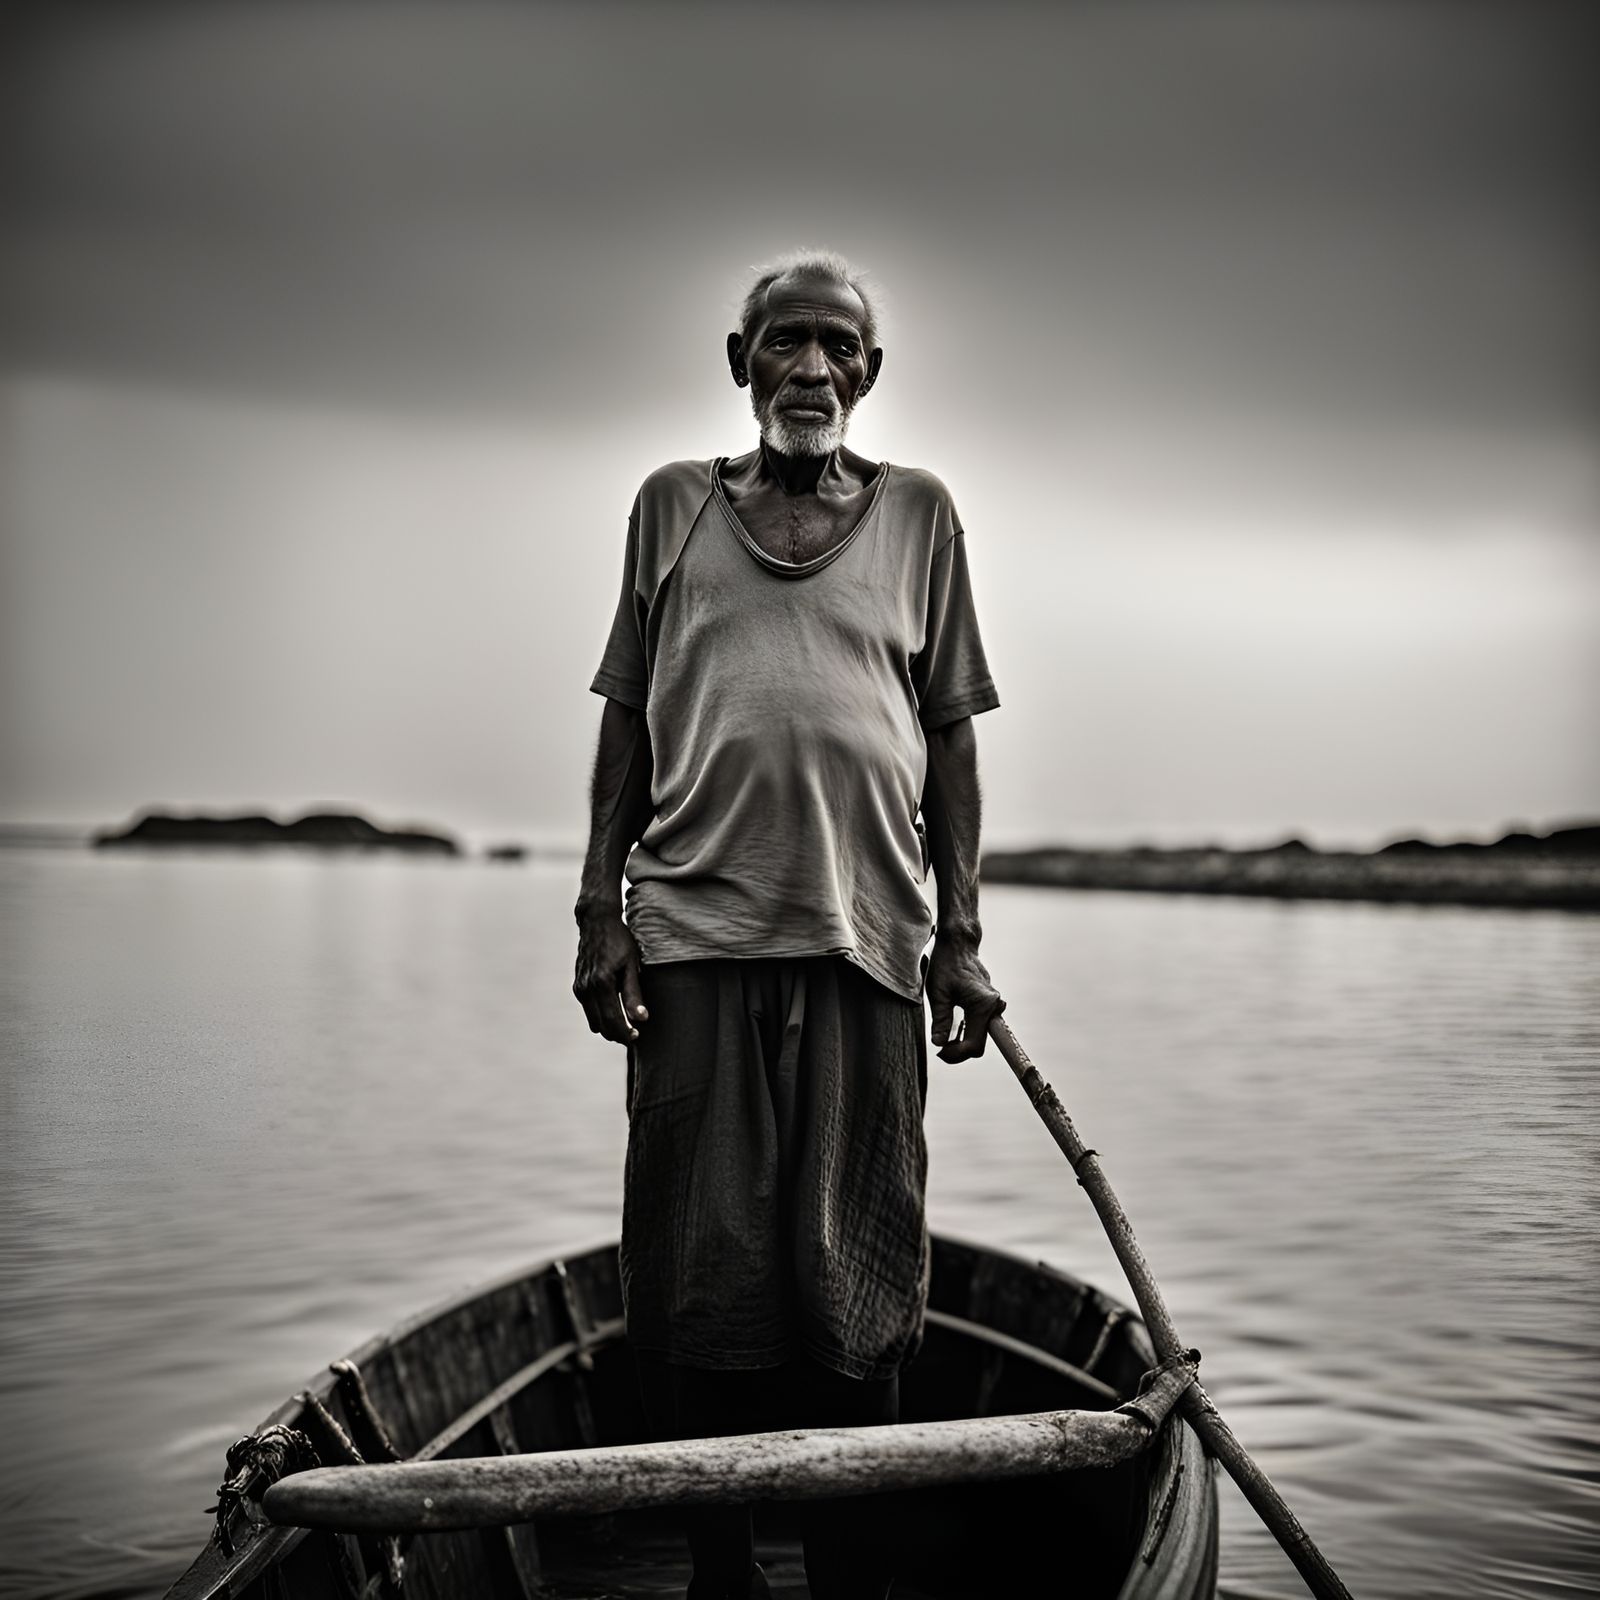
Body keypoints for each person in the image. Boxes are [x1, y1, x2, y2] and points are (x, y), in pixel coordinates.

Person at [573, 250, 1004, 1600]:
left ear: (869, 373)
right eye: (784, 344)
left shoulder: (924, 517)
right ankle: (720, 1574)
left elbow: (950, 744)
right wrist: (599, 906)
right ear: (740, 360)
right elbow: (629, 722)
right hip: (694, 935)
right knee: (699, 1286)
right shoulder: (670, 508)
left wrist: (963, 935)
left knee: (858, 1287)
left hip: (871, 942)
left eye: (837, 347)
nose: (810, 369)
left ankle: (843, 1570)